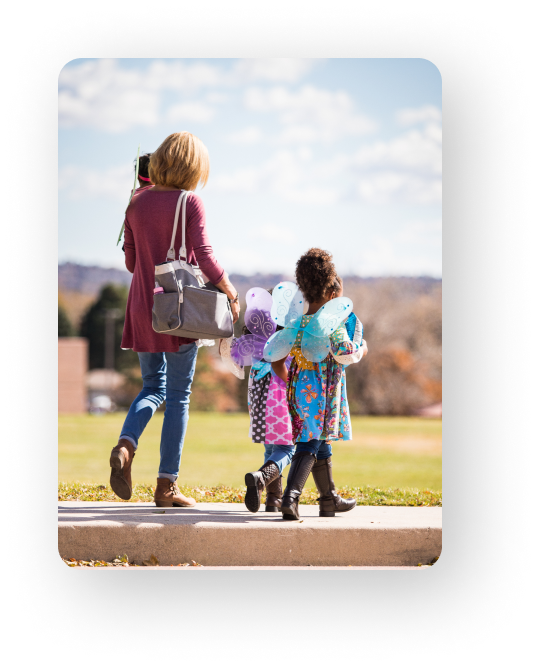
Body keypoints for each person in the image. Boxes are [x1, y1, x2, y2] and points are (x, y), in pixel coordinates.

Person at [110, 132, 240, 508]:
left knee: (152, 386)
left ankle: (125, 445)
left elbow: (133, 264)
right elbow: (204, 255)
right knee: (179, 396)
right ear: (193, 166)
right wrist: (229, 290)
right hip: (176, 309)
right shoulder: (190, 202)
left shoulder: (135, 202)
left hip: (141, 305)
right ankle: (166, 486)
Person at [271, 248, 368, 520]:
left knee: (318, 440)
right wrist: (363, 348)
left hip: (297, 389)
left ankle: (329, 500)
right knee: (310, 443)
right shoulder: (331, 323)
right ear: (332, 293)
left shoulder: (295, 321)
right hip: (322, 394)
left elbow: (277, 355)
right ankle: (291, 498)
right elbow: (346, 353)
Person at [220, 287, 296, 513]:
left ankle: (274, 499)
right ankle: (262, 478)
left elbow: (234, 356)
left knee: (271, 447)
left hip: (258, 398)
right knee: (287, 448)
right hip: (279, 397)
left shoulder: (254, 339)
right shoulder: (285, 339)